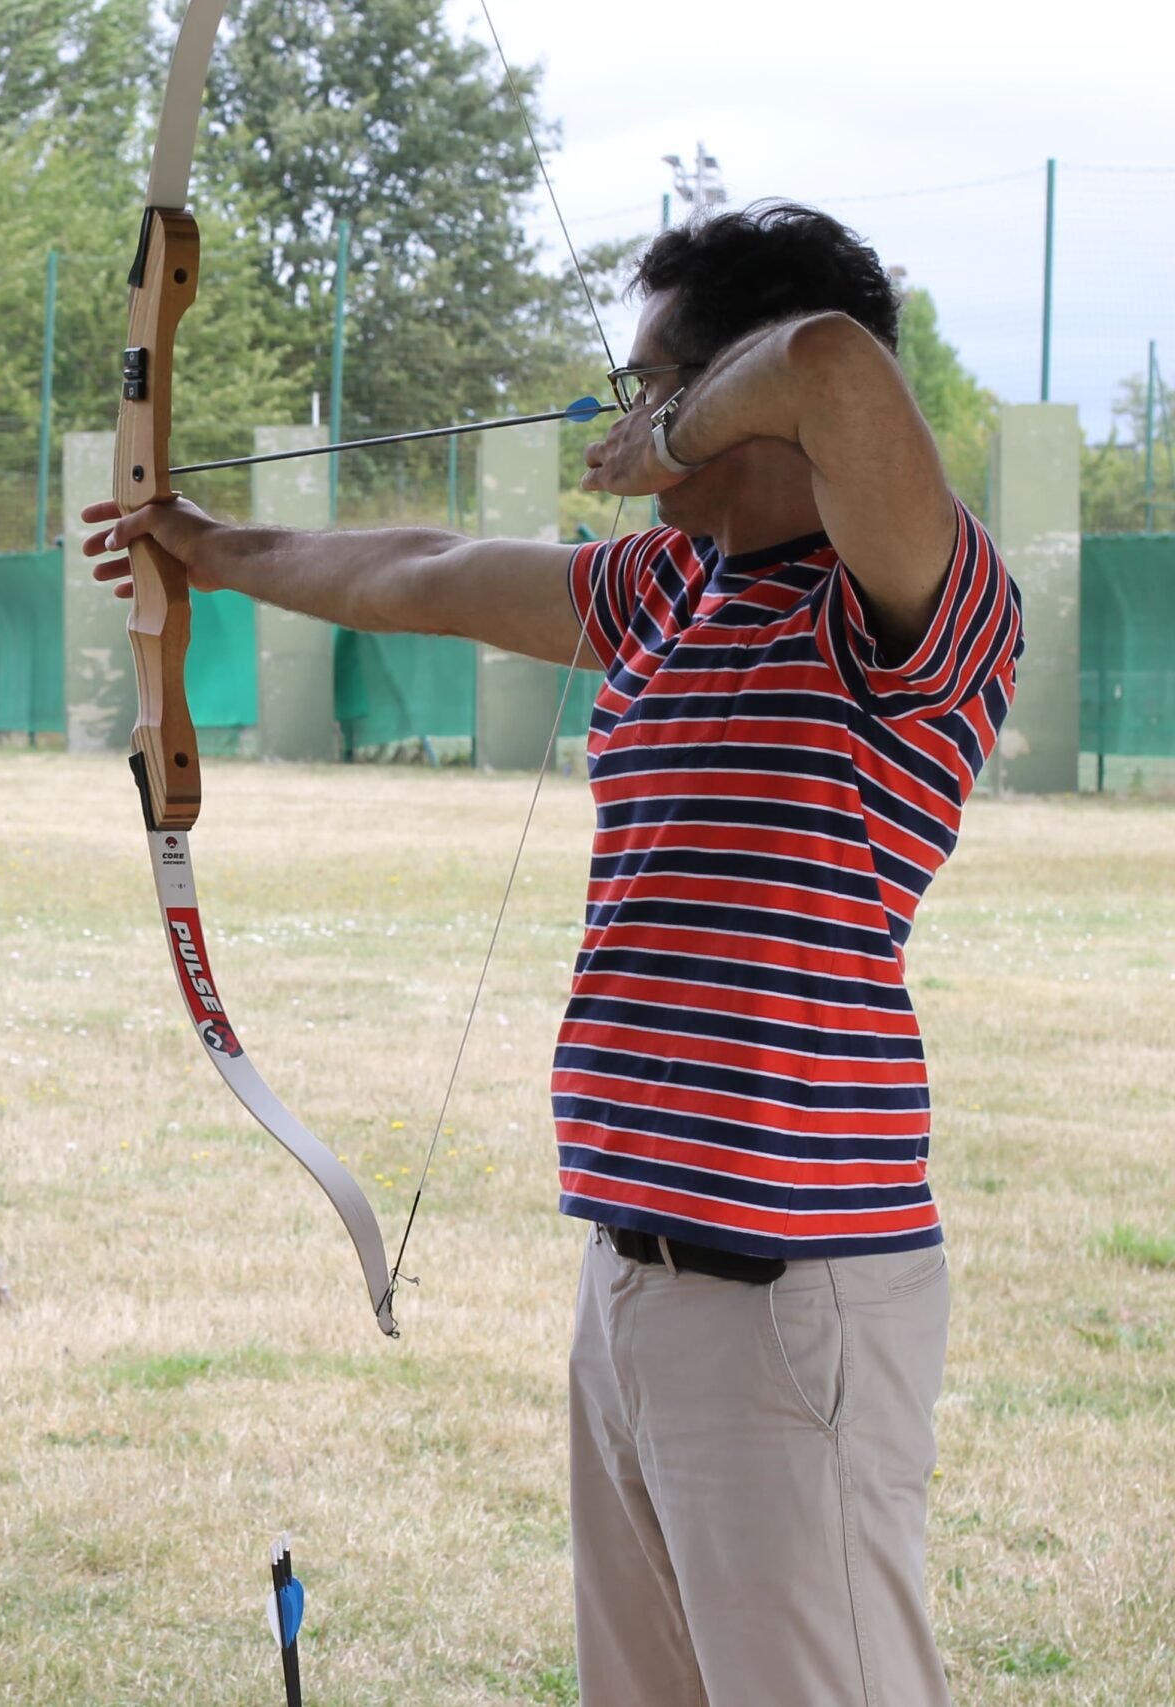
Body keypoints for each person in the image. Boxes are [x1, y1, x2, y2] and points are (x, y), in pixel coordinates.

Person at [83, 201, 1022, 1707]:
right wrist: (212, 546)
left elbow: (836, 361)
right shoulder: (665, 597)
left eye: (655, 383)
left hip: (793, 1287)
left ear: (738, 400)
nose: (627, 413)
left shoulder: (908, 613)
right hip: (634, 1270)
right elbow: (427, 572)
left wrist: (676, 429)